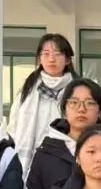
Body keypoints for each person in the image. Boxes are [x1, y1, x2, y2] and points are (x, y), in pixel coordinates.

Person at [6, 33, 77, 177]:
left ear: (68, 59)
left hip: (68, 159)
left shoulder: (78, 89)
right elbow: (13, 126)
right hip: (32, 161)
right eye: (46, 54)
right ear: (39, 58)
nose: (51, 59)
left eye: (57, 54)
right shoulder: (27, 90)